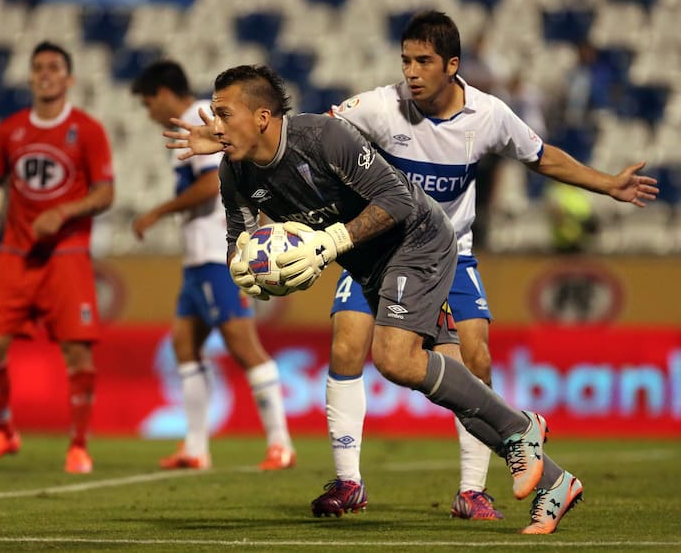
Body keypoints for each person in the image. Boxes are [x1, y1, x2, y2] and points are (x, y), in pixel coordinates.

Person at [165, 64, 596, 534]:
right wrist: (248, 271)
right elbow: (239, 239)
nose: (216, 125)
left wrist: (327, 243)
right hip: (368, 264)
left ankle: (521, 430)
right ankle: (554, 480)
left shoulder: (324, 138)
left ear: (262, 116)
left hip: (418, 238)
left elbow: (397, 200)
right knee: (452, 380)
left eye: (225, 114)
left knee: (394, 358)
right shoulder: (235, 172)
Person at [321, 10, 659, 522]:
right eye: (406, 60)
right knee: (348, 340)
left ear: (452, 65)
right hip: (380, 253)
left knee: (474, 360)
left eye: (424, 62)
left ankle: (472, 491)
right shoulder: (377, 107)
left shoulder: (488, 115)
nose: (411, 72)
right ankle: (348, 483)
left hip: (449, 253)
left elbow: (541, 156)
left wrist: (607, 183)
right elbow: (316, 139)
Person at [129, 60, 295, 470]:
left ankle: (281, 444)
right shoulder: (201, 117)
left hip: (216, 255)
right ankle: (196, 447)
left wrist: (159, 211)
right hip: (196, 259)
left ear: (164, 93)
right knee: (185, 343)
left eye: (148, 102)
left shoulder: (201, 119)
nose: (148, 112)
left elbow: (209, 184)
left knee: (243, 345)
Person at [0, 41, 115, 474]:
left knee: (77, 354)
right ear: (30, 77)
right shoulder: (10, 129)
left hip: (66, 253)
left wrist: (63, 211)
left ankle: (78, 445)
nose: (46, 74)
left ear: (69, 79)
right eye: (38, 68)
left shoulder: (87, 129)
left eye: (54, 67)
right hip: (16, 251)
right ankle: (4, 432)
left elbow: (106, 193)